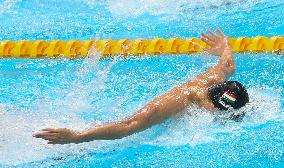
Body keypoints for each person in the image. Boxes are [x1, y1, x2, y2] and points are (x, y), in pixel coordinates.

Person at [33, 29, 249, 144]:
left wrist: (224, 47)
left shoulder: (216, 77)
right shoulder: (176, 102)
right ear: (211, 106)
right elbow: (130, 124)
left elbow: (227, 64)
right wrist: (78, 137)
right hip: (95, 127)